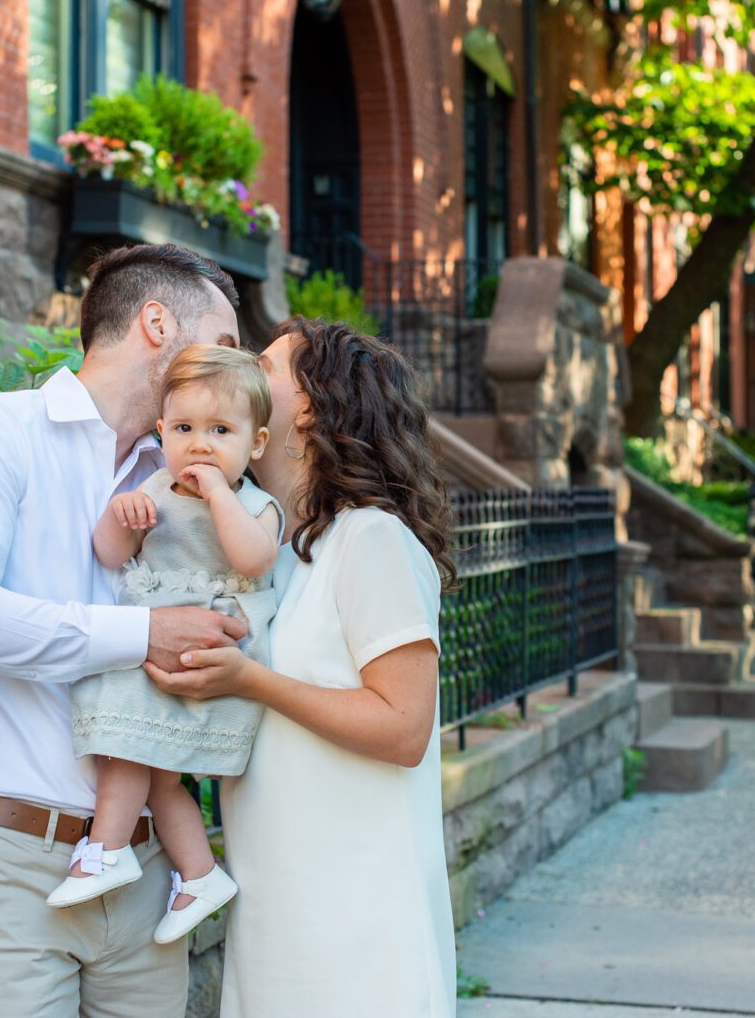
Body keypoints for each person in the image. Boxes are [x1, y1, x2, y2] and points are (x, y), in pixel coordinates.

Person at [0, 243, 245, 1018]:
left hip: (149, 865)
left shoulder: (189, 478)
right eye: (223, 343)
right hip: (11, 861)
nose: (234, 368)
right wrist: (144, 633)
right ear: (157, 323)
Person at [145, 317, 460, 1016]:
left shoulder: (371, 538)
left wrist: (250, 681)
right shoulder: (270, 550)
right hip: (277, 903)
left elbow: (405, 727)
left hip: (358, 917)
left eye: (263, 366)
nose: (240, 372)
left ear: (311, 410)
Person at [49, 345, 282, 952]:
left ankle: (105, 851)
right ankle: (200, 875)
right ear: (161, 432)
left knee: (126, 747)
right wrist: (121, 516)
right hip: (156, 647)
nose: (200, 445)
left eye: (220, 431)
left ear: (256, 444)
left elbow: (253, 560)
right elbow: (110, 554)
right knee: (157, 780)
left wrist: (219, 494)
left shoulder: (255, 505)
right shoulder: (154, 487)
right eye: (183, 429)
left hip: (210, 649)